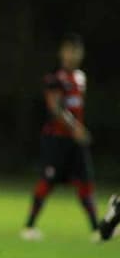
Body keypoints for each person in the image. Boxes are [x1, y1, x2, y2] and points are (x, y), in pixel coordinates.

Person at [21, 33, 98, 241]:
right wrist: (76, 128)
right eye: (69, 49)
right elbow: (55, 108)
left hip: (75, 140)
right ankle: (29, 226)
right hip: (56, 139)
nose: (72, 54)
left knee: (85, 183)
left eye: (76, 50)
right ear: (61, 52)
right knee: (48, 181)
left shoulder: (81, 77)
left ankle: (96, 229)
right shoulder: (54, 79)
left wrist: (77, 130)